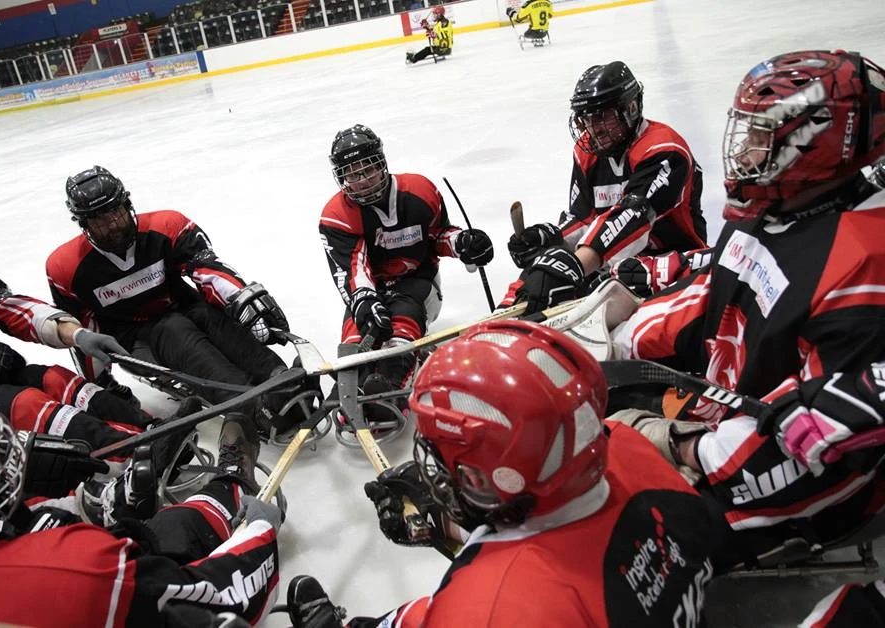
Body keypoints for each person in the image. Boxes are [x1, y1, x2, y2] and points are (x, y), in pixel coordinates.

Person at [606, 50, 885, 550]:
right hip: (718, 414)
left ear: (813, 143)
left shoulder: (865, 264)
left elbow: (820, 447)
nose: (747, 149)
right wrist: (614, 337)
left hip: (768, 485)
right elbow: (711, 298)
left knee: (598, 523)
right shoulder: (772, 207)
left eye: (762, 134)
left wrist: (685, 447)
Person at [283, 320, 722, 627]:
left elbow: (489, 599)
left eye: (443, 457)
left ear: (486, 480)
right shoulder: (628, 450)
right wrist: (452, 522)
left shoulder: (495, 606)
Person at [0, 374, 284, 627]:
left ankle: (104, 496)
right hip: (87, 579)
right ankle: (231, 483)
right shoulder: (68, 570)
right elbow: (220, 598)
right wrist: (260, 531)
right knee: (173, 531)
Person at [46, 165, 306, 441]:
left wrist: (242, 299)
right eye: (99, 219)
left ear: (127, 204)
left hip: (184, 308)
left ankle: (277, 374)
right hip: (135, 340)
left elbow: (206, 269)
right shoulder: (66, 268)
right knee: (174, 329)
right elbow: (84, 331)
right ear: (84, 224)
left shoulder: (167, 226)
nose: (112, 224)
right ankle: (250, 405)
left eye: (115, 211)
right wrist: (101, 384)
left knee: (208, 316)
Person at [0, 234, 169, 463]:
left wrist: (75, 333)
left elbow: (10, 308)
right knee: (27, 404)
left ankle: (152, 428)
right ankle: (136, 452)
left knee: (52, 377)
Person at [319, 125, 493, 432]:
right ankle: (354, 382)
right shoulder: (337, 214)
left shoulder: (420, 191)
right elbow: (352, 269)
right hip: (372, 289)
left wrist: (463, 243)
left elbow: (438, 236)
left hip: (419, 285)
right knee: (359, 330)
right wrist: (364, 300)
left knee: (404, 310)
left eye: (368, 170)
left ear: (381, 163)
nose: (362, 181)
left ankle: (391, 382)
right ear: (341, 177)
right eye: (352, 174)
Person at [500, 61, 706, 313]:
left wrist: (572, 266)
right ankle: (503, 316)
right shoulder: (587, 152)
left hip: (671, 266)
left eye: (601, 117)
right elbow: (583, 217)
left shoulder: (664, 149)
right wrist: (551, 239)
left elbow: (633, 216)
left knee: (569, 279)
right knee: (543, 267)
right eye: (586, 118)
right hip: (614, 265)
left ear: (630, 108)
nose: (592, 128)